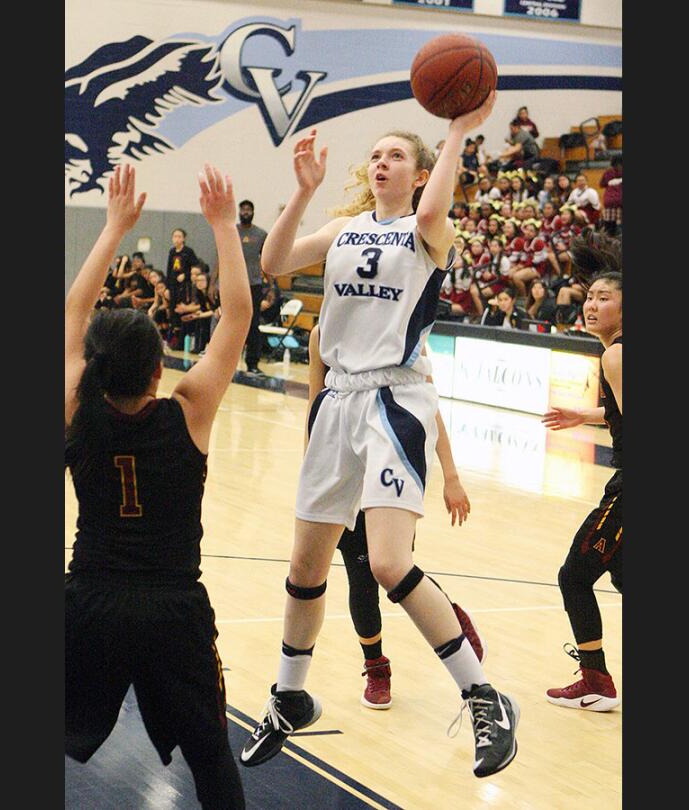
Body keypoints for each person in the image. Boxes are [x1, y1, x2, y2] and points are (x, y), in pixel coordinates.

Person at [244, 93, 521, 779]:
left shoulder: (431, 233)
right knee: (306, 567)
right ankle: (289, 696)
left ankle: (484, 695)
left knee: (390, 564)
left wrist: (456, 130)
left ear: (420, 172)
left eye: (395, 155)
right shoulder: (342, 231)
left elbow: (431, 211)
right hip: (336, 401)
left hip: (394, 402)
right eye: (374, 156)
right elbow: (274, 262)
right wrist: (303, 191)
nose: (380, 163)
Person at [64, 164, 252, 808]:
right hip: (174, 610)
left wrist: (114, 226)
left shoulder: (76, 408)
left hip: (90, 602)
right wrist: (224, 226)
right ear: (160, 368)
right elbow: (237, 315)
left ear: (95, 364)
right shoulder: (189, 409)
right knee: (210, 759)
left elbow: (72, 309)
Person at [304, 325, 481, 710]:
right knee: (360, 574)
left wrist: (451, 476)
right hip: (342, 464)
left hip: (393, 460)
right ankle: (376, 667)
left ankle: (448, 614)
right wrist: (311, 468)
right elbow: (315, 403)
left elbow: (428, 406)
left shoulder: (405, 328)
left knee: (393, 566)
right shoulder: (322, 335)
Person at [541, 269, 622, 713]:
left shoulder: (615, 357)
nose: (591, 305)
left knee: (574, 576)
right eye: (589, 296)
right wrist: (584, 415)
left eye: (604, 298)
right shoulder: (615, 354)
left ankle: (596, 681)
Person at [236, 199, 270, 374]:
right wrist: (213, 282)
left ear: (253, 212)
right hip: (234, 284)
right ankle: (228, 361)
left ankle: (252, 363)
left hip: (254, 284)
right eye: (243, 209)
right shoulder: (232, 232)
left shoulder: (261, 234)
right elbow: (220, 257)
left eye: (249, 209)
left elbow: (267, 261)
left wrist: (270, 286)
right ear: (239, 211)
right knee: (230, 322)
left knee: (253, 324)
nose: (246, 212)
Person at [166, 228, 201, 302]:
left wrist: (185, 275)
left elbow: (196, 267)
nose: (177, 239)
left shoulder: (188, 251)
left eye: (179, 237)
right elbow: (169, 269)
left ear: (184, 239)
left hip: (185, 284)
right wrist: (167, 287)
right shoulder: (172, 251)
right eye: (175, 236)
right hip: (173, 284)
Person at [600, 156, 623, 236]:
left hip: (609, 202)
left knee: (609, 228)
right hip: (620, 202)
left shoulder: (608, 172)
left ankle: (608, 244)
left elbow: (601, 184)